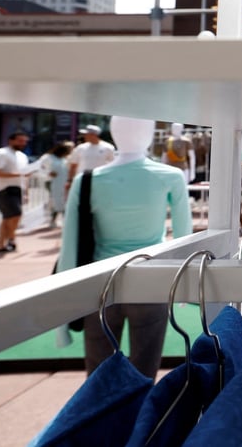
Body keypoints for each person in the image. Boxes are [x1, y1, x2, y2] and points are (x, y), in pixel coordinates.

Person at [57, 116, 192, 378]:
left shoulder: (87, 181)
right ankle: (141, 418)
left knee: (99, 374)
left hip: (99, 283)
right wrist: (184, 287)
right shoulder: (170, 176)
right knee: (145, 369)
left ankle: (103, 417)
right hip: (150, 281)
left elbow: (70, 244)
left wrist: (64, 316)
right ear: (151, 134)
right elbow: (184, 236)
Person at [0, 130, 33, 253]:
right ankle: (12, 239)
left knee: (8, 217)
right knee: (15, 214)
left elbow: (24, 176)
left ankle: (0, 245)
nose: (22, 143)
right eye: (20, 141)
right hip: (3, 189)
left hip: (18, 189)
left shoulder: (22, 156)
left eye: (24, 141)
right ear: (11, 140)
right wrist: (17, 174)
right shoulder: (1, 153)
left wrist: (26, 192)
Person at [66, 124, 116, 189]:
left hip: (101, 180)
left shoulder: (108, 148)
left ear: (93, 135)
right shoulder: (80, 148)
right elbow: (73, 165)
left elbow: (113, 165)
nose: (84, 136)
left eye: (86, 134)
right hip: (83, 180)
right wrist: (70, 180)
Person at [39, 141, 73, 227]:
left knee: (64, 201)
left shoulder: (65, 159)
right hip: (52, 182)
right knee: (56, 200)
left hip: (64, 183)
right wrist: (48, 173)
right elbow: (39, 168)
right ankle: (53, 219)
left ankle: (63, 220)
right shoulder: (48, 157)